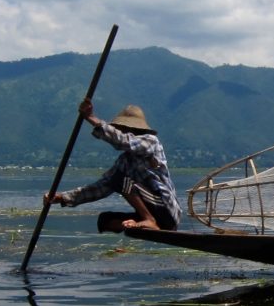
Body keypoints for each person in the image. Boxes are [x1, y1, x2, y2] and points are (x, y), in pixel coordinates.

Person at [44, 99, 182, 232]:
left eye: (122, 129)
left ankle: (148, 220)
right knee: (104, 220)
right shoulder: (123, 162)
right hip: (154, 214)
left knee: (119, 179)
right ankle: (134, 224)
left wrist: (90, 117)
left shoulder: (151, 142)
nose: (119, 131)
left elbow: (123, 141)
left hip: (165, 211)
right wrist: (63, 197)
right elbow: (101, 188)